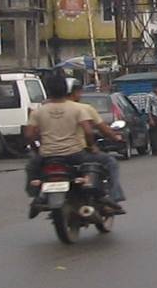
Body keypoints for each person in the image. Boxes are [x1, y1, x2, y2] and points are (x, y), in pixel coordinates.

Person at [25, 75, 125, 213]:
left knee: (32, 168)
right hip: (75, 154)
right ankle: (113, 198)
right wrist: (92, 146)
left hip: (47, 156)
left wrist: (37, 150)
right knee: (109, 161)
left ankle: (36, 196)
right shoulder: (78, 109)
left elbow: (29, 135)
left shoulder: (38, 111)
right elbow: (89, 131)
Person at [67, 83, 128, 208]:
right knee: (110, 162)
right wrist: (114, 138)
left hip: (50, 155)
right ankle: (114, 195)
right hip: (77, 152)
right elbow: (99, 129)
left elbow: (31, 134)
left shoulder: (44, 108)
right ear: (76, 93)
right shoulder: (83, 108)